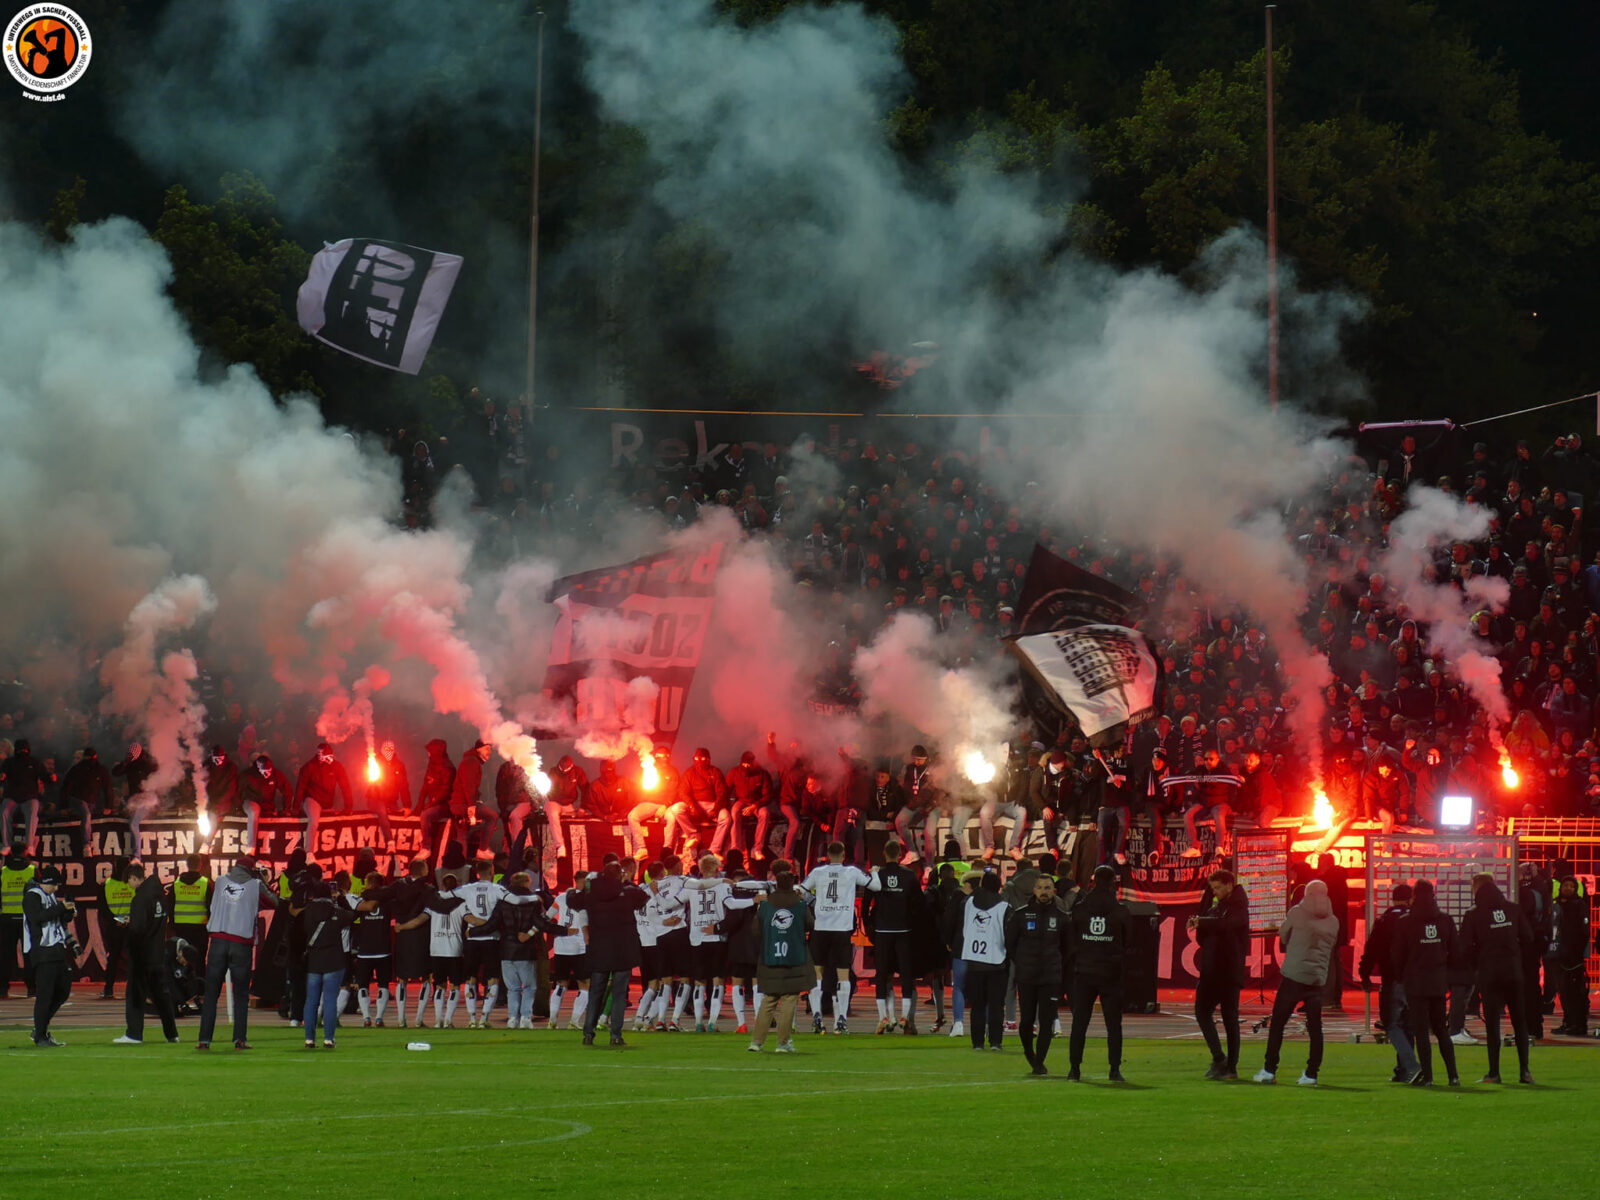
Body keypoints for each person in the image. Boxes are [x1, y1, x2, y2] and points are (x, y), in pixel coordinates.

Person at [1254, 878, 1339, 1085]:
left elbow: (1283, 936)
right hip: (1317, 978)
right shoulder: (1334, 921)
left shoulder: (1296, 913)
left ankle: (1269, 1070)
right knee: (1315, 1028)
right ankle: (1311, 1074)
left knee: (1278, 1024)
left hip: (1294, 976)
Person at [196, 854, 280, 1051]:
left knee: (211, 994)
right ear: (251, 869)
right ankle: (239, 1039)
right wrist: (262, 881)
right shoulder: (255, 885)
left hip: (217, 941)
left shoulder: (220, 882)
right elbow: (274, 902)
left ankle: (204, 1039)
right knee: (241, 994)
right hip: (240, 943)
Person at [1458, 872, 1535, 1083]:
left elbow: (1464, 947)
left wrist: (1477, 965)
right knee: (1520, 1022)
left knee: (1492, 1024)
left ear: (1476, 888)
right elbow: (1528, 937)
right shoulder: (1513, 909)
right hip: (1513, 971)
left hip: (1489, 973)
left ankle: (1494, 1072)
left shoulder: (1473, 914)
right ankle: (1525, 1071)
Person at [567, 860, 649, 1046]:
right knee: (619, 994)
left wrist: (582, 887)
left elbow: (572, 900)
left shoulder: (592, 893)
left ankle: (588, 1033)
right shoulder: (627, 892)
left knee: (596, 992)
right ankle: (615, 1035)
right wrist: (626, 882)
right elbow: (643, 897)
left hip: (600, 949)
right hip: (623, 950)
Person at [470, 871, 565, 1029]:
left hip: (506, 950)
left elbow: (492, 924)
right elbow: (541, 924)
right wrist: (564, 930)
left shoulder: (503, 901)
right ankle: (525, 1017)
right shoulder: (533, 901)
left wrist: (473, 931)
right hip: (526, 950)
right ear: (527, 883)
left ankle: (513, 1017)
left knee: (512, 988)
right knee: (529, 987)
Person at [1066, 864, 1130, 1082]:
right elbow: (1129, 942)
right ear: (1113, 883)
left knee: (1079, 1023)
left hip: (1084, 972)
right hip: (1110, 973)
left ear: (1093, 881)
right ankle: (1114, 1069)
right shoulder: (1120, 910)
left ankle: (1074, 1068)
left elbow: (1071, 940)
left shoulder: (1081, 909)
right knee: (1113, 1024)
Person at [1394, 878, 1460, 1086]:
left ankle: (1428, 1076)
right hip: (1438, 981)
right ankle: (1453, 1075)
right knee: (1441, 1030)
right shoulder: (1445, 920)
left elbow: (1397, 955)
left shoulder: (1406, 922)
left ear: (1414, 896)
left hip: (1415, 982)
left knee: (1421, 1031)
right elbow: (1455, 951)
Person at [801, 841, 871, 1034]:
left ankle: (817, 1018)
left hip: (820, 928)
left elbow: (801, 891)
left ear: (828, 855)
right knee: (842, 973)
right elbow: (874, 884)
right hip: (841, 928)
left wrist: (815, 902)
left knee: (817, 973)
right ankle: (841, 1020)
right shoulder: (852, 872)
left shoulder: (817, 872)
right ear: (843, 854)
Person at [1005, 872, 1071, 1076]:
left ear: (1054, 891)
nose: (1044, 892)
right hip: (1027, 977)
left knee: (1046, 1021)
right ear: (1034, 890)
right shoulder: (1021, 914)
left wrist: (1055, 964)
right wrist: (1023, 962)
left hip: (1050, 978)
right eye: (1040, 888)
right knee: (1026, 1022)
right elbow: (1010, 944)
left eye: (1048, 888)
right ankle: (1029, 1053)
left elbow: (1068, 949)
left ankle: (1039, 1062)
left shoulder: (1061, 917)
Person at [293, 868, 363, 1048]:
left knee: (311, 1001)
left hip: (314, 961)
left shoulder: (307, 912)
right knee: (330, 1000)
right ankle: (328, 1038)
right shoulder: (337, 911)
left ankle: (309, 1039)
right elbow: (353, 916)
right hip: (334, 960)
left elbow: (299, 926)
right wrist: (340, 899)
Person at [1359, 882, 1421, 1083]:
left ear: (1392, 898)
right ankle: (1403, 1070)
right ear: (1410, 898)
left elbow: (1371, 950)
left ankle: (1411, 1066)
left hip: (1392, 978)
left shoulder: (1384, 920)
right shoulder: (1416, 919)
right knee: (1408, 1026)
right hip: (1414, 979)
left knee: (1392, 1024)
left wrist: (1364, 974)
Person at [748, 865, 814, 1053]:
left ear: (776, 884)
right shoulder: (800, 905)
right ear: (792, 884)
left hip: (770, 958)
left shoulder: (766, 905)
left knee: (768, 1000)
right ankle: (782, 1043)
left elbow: (755, 931)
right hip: (794, 958)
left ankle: (756, 1042)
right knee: (789, 1000)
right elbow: (810, 925)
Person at [113, 861, 180, 1045]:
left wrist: (129, 929)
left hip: (142, 955)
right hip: (157, 953)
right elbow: (152, 922)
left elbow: (138, 929)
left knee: (135, 995)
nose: (130, 885)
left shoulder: (141, 898)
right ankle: (172, 1034)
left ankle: (134, 1034)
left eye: (129, 881)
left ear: (134, 878)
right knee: (161, 996)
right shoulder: (159, 896)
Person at [1192, 868, 1248, 1079]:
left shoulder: (1239, 907)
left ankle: (1230, 1066)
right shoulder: (1218, 906)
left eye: (1217, 887)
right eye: (1212, 888)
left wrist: (1204, 923)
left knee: (1228, 1017)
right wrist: (1202, 924)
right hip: (1212, 970)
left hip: (1227, 970)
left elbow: (1229, 925)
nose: (1214, 892)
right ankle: (1220, 1059)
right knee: (1204, 1012)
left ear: (1228, 885)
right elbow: (1202, 937)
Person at [864, 841, 923, 1034]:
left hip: (882, 932)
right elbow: (919, 904)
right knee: (906, 974)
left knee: (882, 975)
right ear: (899, 854)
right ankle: (905, 1016)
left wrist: (868, 926)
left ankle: (883, 1018)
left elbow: (865, 905)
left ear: (884, 853)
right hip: (904, 931)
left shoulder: (877, 875)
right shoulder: (909, 876)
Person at [950, 869, 1009, 1049]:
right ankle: (995, 1041)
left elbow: (965, 928)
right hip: (996, 960)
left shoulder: (968, 903)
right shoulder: (1004, 906)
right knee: (996, 1004)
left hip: (973, 960)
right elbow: (1008, 934)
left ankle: (977, 1042)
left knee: (977, 1005)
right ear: (999, 887)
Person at [23, 864, 76, 1046]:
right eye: (55, 884)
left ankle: (40, 1028)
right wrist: (60, 907)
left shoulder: (51, 896)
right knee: (45, 995)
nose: (57, 888)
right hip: (43, 951)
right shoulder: (32, 896)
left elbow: (58, 919)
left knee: (63, 990)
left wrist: (68, 912)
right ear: (47, 882)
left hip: (57, 949)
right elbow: (37, 917)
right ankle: (40, 1035)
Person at [455, 858, 508, 1027]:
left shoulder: (467, 889)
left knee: (470, 978)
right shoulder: (497, 888)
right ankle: (484, 1018)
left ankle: (471, 1018)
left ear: (477, 872)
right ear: (492, 871)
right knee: (492, 978)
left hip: (472, 939)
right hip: (491, 939)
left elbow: (450, 895)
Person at [296, 742, 354, 858]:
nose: (331, 760)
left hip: (327, 802)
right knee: (314, 821)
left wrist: (348, 806)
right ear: (320, 756)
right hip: (312, 798)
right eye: (328, 758)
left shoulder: (337, 766)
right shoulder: (309, 767)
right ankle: (309, 853)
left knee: (330, 824)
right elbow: (300, 787)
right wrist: (296, 807)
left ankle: (330, 853)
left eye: (332, 757)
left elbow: (345, 786)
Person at [548, 877, 591, 1029]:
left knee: (560, 984)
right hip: (579, 947)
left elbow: (547, 917)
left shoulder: (560, 898)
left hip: (560, 947)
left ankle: (552, 1020)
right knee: (584, 984)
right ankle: (574, 1021)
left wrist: (561, 930)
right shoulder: (587, 899)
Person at [1551, 876, 1591, 1035]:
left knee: (1576, 992)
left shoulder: (1579, 905)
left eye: (1571, 886)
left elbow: (1583, 931)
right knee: (1564, 992)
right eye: (1565, 885)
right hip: (1560, 954)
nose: (1568, 888)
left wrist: (1577, 951)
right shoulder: (1556, 905)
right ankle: (1568, 1022)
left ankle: (1579, 1024)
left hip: (1573, 956)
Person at [1, 840, 37, 999]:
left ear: (10, 853)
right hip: (27, 919)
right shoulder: (32, 870)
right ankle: (31, 988)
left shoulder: (3, 872)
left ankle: (2, 988)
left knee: (5, 955)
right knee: (29, 955)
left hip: (7, 919)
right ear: (25, 853)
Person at [98, 856, 136, 999]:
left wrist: (116, 920)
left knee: (113, 959)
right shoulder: (134, 883)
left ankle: (108, 989)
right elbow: (139, 904)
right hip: (131, 926)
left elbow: (102, 909)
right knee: (134, 959)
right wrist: (129, 920)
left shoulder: (106, 884)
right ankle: (133, 989)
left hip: (114, 927)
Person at [237, 753, 289, 854]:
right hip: (251, 802)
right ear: (258, 768)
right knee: (254, 811)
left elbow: (287, 791)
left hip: (268, 806)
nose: (267, 774)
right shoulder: (248, 775)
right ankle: (251, 847)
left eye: (269, 771)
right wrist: (237, 808)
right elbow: (237, 791)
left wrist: (286, 808)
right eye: (264, 772)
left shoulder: (276, 774)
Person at [416, 739, 457, 859]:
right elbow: (425, 785)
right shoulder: (432, 764)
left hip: (445, 805)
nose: (428, 754)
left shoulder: (448, 768)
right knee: (420, 813)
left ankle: (426, 847)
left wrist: (432, 803)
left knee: (426, 815)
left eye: (429, 751)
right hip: (433, 804)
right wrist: (420, 804)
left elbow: (446, 791)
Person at [168, 853, 212, 963]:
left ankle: (183, 980)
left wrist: (172, 924)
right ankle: (199, 980)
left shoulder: (176, 884)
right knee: (200, 960)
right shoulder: (205, 883)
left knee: (182, 959)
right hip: (200, 928)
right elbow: (211, 906)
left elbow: (169, 905)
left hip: (181, 928)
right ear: (200, 864)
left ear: (187, 864)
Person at [543, 755, 587, 858]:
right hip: (554, 802)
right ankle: (560, 846)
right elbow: (548, 791)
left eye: (567, 769)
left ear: (571, 766)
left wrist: (583, 807)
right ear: (559, 764)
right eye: (562, 768)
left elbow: (585, 789)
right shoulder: (553, 772)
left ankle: (574, 849)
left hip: (568, 805)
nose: (564, 771)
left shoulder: (578, 771)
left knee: (575, 820)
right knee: (553, 814)